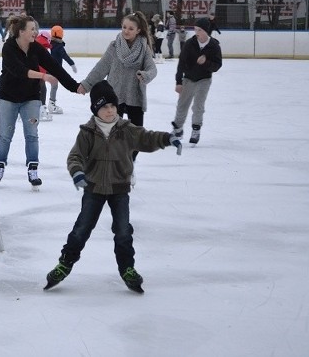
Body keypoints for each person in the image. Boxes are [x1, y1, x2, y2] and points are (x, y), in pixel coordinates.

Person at [44, 80, 182, 292]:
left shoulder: (126, 129)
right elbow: (75, 156)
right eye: (104, 107)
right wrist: (78, 172)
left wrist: (166, 138)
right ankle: (64, 264)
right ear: (95, 110)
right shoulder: (88, 132)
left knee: (123, 231)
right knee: (81, 229)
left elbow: (147, 138)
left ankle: (127, 268)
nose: (109, 111)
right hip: (94, 188)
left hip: (119, 189)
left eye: (112, 106)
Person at [0, 15, 83, 188]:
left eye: (36, 29)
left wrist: (74, 86)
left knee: (31, 135)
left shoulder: (37, 48)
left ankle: (33, 170)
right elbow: (19, 70)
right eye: (32, 29)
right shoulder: (9, 47)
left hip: (31, 97)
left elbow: (55, 67)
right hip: (8, 97)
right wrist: (42, 76)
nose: (35, 32)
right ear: (21, 31)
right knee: (5, 135)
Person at [77, 11, 157, 162]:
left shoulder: (144, 49)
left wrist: (145, 75)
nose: (126, 31)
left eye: (131, 28)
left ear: (138, 30)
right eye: (124, 27)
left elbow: (152, 69)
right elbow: (101, 68)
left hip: (135, 97)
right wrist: (86, 84)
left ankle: (129, 163)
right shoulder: (114, 47)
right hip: (114, 98)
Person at [170, 17, 222, 145]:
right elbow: (181, 63)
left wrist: (206, 63)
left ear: (206, 31)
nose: (196, 32)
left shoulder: (214, 46)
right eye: (195, 29)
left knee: (198, 105)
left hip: (204, 79)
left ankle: (196, 129)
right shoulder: (189, 44)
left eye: (199, 30)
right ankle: (178, 129)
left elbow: (217, 65)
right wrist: (178, 82)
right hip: (188, 78)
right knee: (182, 104)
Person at [49, 25, 78, 115]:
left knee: (42, 86)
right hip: (55, 69)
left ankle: (41, 104)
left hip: (47, 67)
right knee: (54, 86)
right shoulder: (58, 46)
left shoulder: (50, 43)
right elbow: (65, 56)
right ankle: (51, 103)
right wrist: (72, 64)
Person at [35, 30, 53, 122]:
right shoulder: (45, 48)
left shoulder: (33, 43)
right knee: (42, 90)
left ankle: (24, 110)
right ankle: (41, 109)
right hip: (40, 73)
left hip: (31, 72)